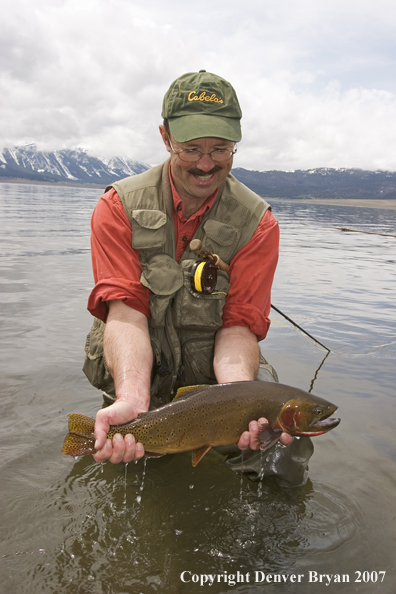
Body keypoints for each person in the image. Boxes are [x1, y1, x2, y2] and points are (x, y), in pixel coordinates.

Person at [83, 70, 312, 485]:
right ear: (165, 136)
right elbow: (125, 313)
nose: (206, 164)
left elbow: (240, 325)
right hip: (139, 371)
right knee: (126, 461)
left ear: (235, 145)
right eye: (192, 149)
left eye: (220, 149)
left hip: (215, 376)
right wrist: (132, 398)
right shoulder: (117, 207)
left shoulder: (258, 224)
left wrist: (241, 402)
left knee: (283, 454)